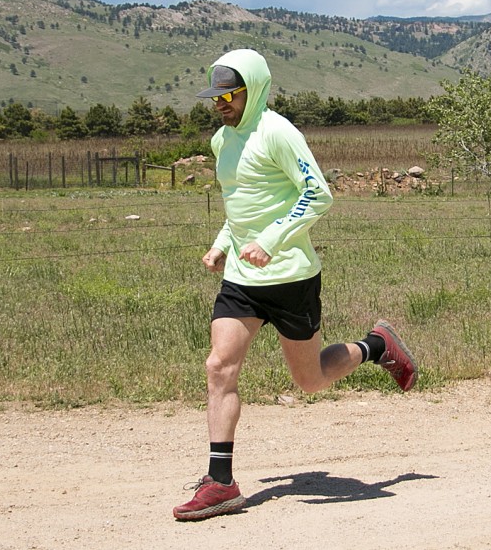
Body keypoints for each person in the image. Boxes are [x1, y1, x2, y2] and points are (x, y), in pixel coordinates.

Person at [173, 49, 418, 521]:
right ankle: (221, 483)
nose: (221, 103)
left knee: (310, 380)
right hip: (242, 277)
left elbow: (318, 193)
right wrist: (223, 242)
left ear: (255, 89)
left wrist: (270, 240)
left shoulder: (278, 133)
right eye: (216, 96)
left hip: (290, 277)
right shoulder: (223, 140)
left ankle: (376, 344)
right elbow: (240, 204)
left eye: (230, 94)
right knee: (219, 365)